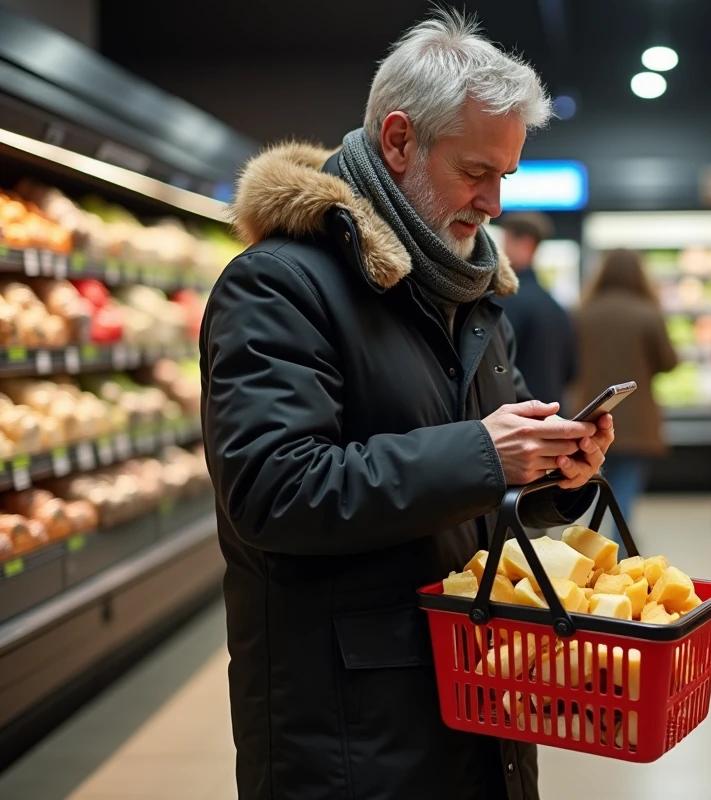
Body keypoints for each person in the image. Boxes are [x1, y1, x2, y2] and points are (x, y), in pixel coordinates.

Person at [200, 12, 614, 800]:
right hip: (352, 733)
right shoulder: (280, 284)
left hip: (475, 700)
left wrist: (558, 475)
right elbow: (272, 491)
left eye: (506, 177)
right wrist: (486, 455)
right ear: (398, 141)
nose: (493, 202)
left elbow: (479, 494)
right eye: (475, 172)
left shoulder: (470, 296)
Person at [573, 249, 677, 551]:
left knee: (590, 484)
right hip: (635, 420)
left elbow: (569, 364)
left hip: (590, 415)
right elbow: (668, 362)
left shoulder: (582, 313)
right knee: (625, 494)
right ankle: (621, 556)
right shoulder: (647, 312)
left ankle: (588, 551)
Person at [494, 212, 576, 407]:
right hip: (553, 416)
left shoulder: (506, 302)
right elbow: (572, 371)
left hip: (519, 420)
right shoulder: (556, 306)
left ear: (526, 244)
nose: (501, 251)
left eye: (506, 242)